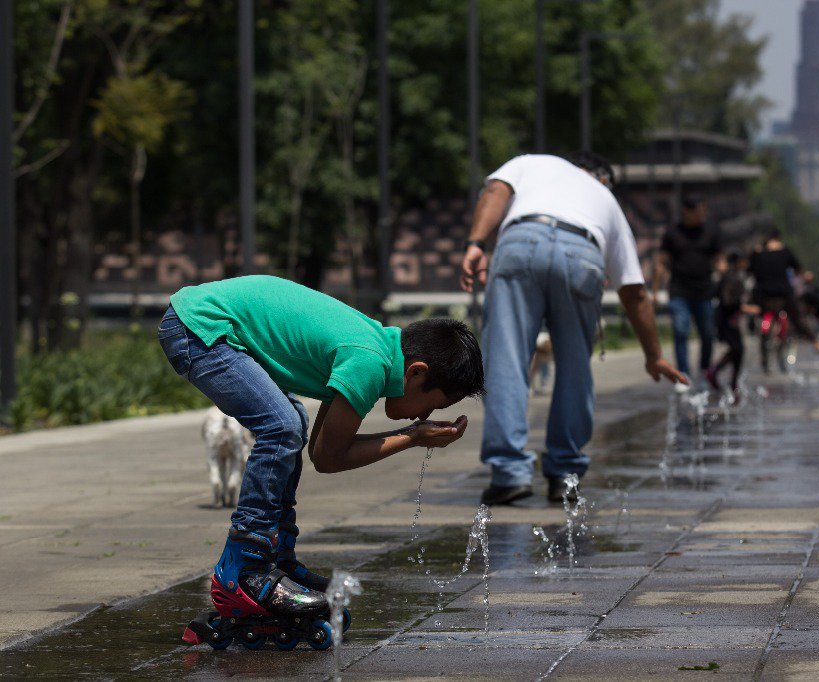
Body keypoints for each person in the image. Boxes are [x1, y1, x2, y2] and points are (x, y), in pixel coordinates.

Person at [160, 275, 483, 640]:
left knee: (291, 421)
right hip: (201, 327)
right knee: (280, 426)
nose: (424, 416)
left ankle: (276, 560)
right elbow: (330, 459)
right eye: (433, 404)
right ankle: (244, 570)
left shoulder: (372, 347)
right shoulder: (369, 362)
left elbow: (320, 451)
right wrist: (411, 438)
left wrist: (411, 436)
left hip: (207, 322)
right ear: (417, 371)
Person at [460, 152, 687, 506]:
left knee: (505, 360)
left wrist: (476, 243)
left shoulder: (533, 162)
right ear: (601, 179)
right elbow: (634, 291)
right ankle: (564, 475)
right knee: (575, 366)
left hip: (522, 238)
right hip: (581, 250)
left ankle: (508, 473)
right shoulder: (606, 199)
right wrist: (654, 355)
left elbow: (495, 191)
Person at [652, 194, 720, 382]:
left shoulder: (710, 231)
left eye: (703, 211)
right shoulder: (673, 232)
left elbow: (719, 258)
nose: (702, 215)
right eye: (698, 211)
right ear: (686, 212)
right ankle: (684, 374)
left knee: (707, 333)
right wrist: (655, 292)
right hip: (679, 290)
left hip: (704, 290)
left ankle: (705, 370)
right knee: (681, 330)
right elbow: (661, 262)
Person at [748, 228, 819, 372]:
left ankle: (764, 358)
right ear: (778, 238)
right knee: (797, 318)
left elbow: (750, 269)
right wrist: (806, 276)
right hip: (783, 293)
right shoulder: (784, 251)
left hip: (763, 295)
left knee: (763, 321)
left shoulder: (758, 253)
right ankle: (815, 342)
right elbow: (798, 269)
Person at [706, 251, 759, 393]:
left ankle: (732, 382)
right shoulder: (731, 277)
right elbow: (727, 300)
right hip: (726, 320)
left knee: (738, 350)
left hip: (729, 319)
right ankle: (716, 372)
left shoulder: (733, 276)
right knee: (737, 349)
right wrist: (745, 308)